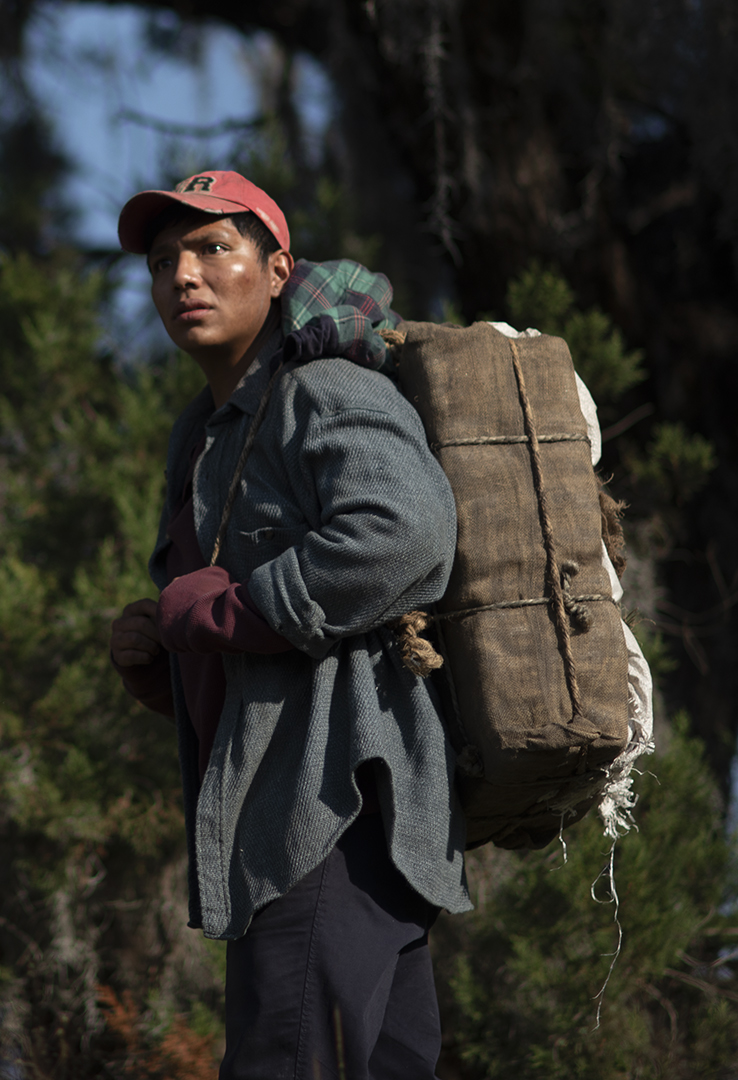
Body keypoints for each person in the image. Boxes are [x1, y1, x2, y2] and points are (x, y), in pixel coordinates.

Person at [106, 170, 471, 1079]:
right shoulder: (203, 436)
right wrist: (163, 658)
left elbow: (405, 533)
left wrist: (225, 609)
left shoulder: (323, 388)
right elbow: (250, 659)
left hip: (329, 814)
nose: (183, 275)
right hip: (298, 827)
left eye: (212, 248)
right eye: (163, 261)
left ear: (277, 272)